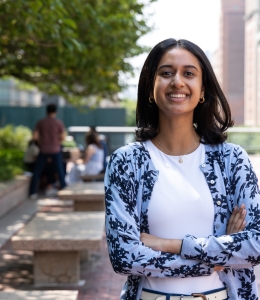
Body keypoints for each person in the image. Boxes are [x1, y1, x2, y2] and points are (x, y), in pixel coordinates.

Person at [105, 38, 260, 300]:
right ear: (150, 88)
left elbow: (254, 246)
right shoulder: (127, 162)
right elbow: (124, 257)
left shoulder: (232, 160)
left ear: (202, 91)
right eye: (166, 73)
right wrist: (220, 256)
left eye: (189, 73)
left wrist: (169, 244)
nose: (177, 81)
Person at [29, 104, 66, 198]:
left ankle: (32, 192)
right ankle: (65, 191)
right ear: (55, 112)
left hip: (44, 149)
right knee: (60, 170)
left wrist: (41, 141)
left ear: (46, 111)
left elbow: (35, 136)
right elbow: (63, 137)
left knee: (37, 171)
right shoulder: (58, 123)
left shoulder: (41, 122)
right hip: (55, 149)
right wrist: (56, 140)